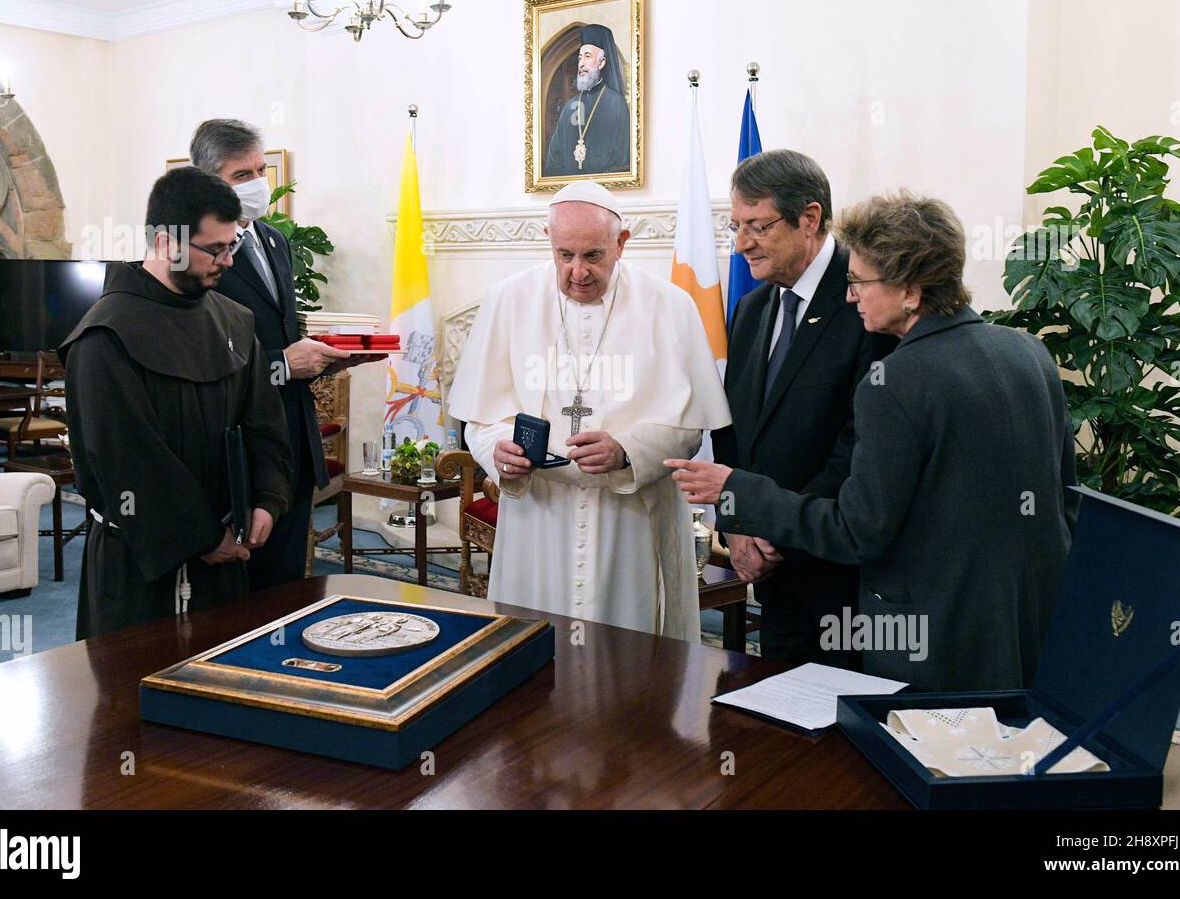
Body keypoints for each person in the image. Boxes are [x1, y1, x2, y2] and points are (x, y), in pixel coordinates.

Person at [668, 192, 1078, 691]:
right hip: (1033, 620)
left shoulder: (898, 378)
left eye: (859, 281)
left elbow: (856, 530)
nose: (849, 295)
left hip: (934, 636)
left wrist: (740, 490)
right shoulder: (1027, 350)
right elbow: (1064, 500)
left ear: (910, 290)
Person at [447, 180, 731, 639]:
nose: (577, 272)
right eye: (565, 255)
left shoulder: (670, 306)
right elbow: (481, 418)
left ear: (622, 243)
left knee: (631, 669)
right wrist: (497, 451)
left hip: (631, 523)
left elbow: (689, 427)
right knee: (534, 661)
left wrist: (627, 450)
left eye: (593, 256)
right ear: (549, 241)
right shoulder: (508, 300)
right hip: (538, 516)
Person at [60, 167, 294, 638]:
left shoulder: (234, 321)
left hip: (226, 557)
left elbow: (265, 425)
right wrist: (202, 537)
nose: (227, 261)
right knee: (132, 699)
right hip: (141, 568)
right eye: (215, 249)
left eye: (233, 246)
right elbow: (128, 458)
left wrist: (267, 500)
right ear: (167, 242)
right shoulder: (105, 336)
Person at [711, 150, 896, 666]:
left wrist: (773, 530)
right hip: (771, 577)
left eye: (757, 225)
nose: (742, 242)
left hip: (841, 582)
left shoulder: (865, 300)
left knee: (839, 735)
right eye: (736, 225)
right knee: (777, 725)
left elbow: (859, 446)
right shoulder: (751, 308)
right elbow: (733, 433)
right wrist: (737, 524)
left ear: (809, 219)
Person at [190, 119, 380, 589]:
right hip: (236, 449)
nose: (257, 185)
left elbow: (283, 332)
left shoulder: (274, 240)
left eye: (260, 171)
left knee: (288, 587)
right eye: (241, 176)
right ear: (208, 182)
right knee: (236, 599)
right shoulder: (193, 254)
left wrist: (326, 357)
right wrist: (280, 365)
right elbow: (201, 358)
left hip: (292, 443)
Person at [543, 24, 631, 176]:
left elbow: (622, 159)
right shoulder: (570, 107)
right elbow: (554, 158)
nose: (581, 63)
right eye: (579, 57)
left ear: (601, 62)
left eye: (587, 56)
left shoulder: (616, 104)